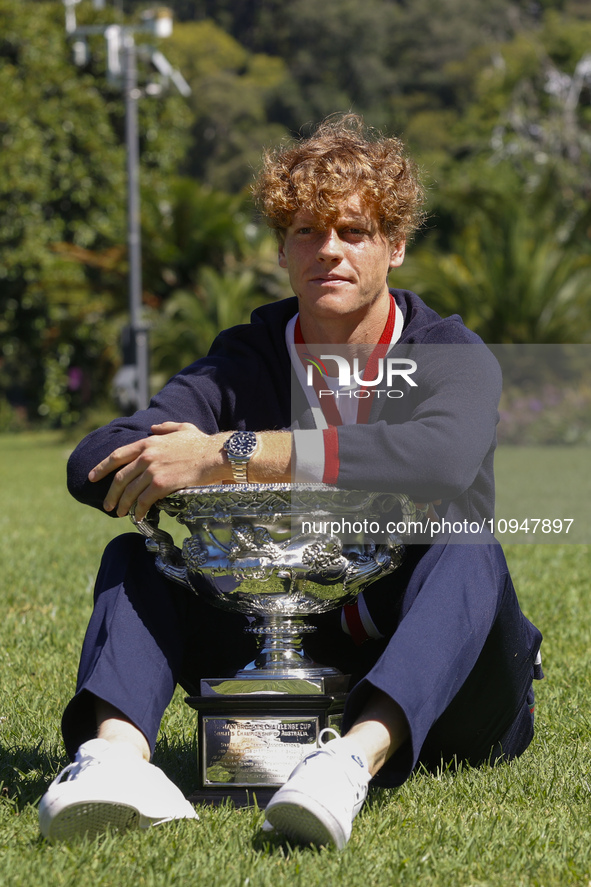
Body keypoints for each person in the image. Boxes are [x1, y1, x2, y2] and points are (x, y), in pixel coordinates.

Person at [39, 114, 543, 849]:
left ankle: (347, 761)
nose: (328, 251)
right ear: (281, 248)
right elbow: (99, 453)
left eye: (353, 231)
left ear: (395, 247)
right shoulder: (244, 357)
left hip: (449, 676)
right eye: (306, 231)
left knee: (466, 543)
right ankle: (114, 760)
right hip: (268, 636)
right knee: (135, 561)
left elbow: (438, 457)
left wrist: (231, 452)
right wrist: (162, 459)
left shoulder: (450, 354)